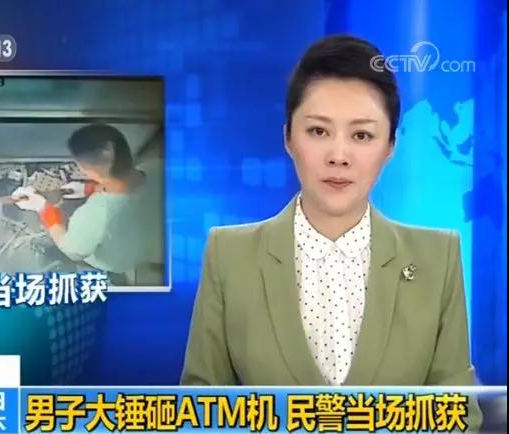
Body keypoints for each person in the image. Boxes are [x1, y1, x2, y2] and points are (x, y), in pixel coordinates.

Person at [181, 34, 482, 429]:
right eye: (319, 131)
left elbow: (458, 414)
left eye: (362, 135)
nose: (339, 156)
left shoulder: (437, 257)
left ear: (390, 145)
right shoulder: (229, 254)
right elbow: (200, 411)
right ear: (288, 137)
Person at [11, 123, 163, 284]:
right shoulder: (158, 167)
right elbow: (128, 185)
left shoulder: (95, 214)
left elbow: (74, 251)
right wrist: (90, 189)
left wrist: (44, 209)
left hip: (121, 261)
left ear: (88, 170)